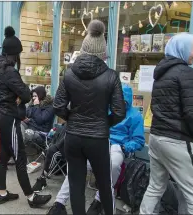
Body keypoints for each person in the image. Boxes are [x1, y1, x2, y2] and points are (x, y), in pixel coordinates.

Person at [53, 20, 126, 215]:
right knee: (104, 183)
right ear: (103, 52)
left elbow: (58, 106)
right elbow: (119, 111)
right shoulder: (111, 75)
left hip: (74, 137)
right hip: (98, 138)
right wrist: (103, 123)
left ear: (84, 48)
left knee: (76, 183)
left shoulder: (69, 73)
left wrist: (73, 118)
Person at [47, 84, 144, 215]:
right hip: (98, 141)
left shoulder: (135, 116)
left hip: (118, 146)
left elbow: (139, 140)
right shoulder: (105, 109)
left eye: (123, 101)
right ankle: (59, 203)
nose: (119, 103)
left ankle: (99, 201)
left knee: (113, 165)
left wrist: (124, 147)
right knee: (77, 167)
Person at [139, 33, 193, 215]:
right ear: (183, 49)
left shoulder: (161, 73)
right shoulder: (187, 73)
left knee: (155, 186)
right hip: (177, 139)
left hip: (156, 137)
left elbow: (155, 106)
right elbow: (192, 111)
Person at [0, 26, 52, 208]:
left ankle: (2, 193)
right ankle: (31, 197)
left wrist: (19, 94)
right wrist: (21, 95)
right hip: (10, 118)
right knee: (20, 158)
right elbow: (26, 95)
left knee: (3, 156)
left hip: (2, 116)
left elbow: (21, 93)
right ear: (14, 54)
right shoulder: (9, 71)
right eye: (19, 54)